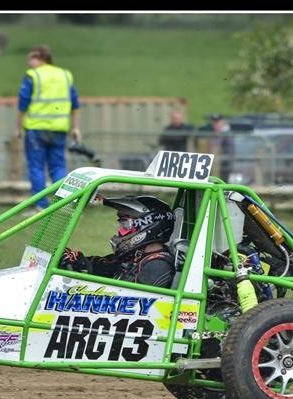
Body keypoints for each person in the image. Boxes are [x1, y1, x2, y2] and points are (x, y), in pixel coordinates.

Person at [14, 45, 81, 210]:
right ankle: (64, 204)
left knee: (36, 168)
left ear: (40, 57)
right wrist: (75, 127)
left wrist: (18, 128)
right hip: (59, 129)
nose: (28, 62)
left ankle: (41, 206)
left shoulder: (33, 75)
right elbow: (75, 104)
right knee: (58, 167)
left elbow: (23, 104)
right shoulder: (65, 75)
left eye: (31, 58)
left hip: (36, 130)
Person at [60, 195, 176, 289]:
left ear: (151, 227)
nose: (119, 230)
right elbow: (105, 267)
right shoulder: (134, 256)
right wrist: (77, 261)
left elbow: (134, 303)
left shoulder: (157, 264)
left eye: (125, 225)